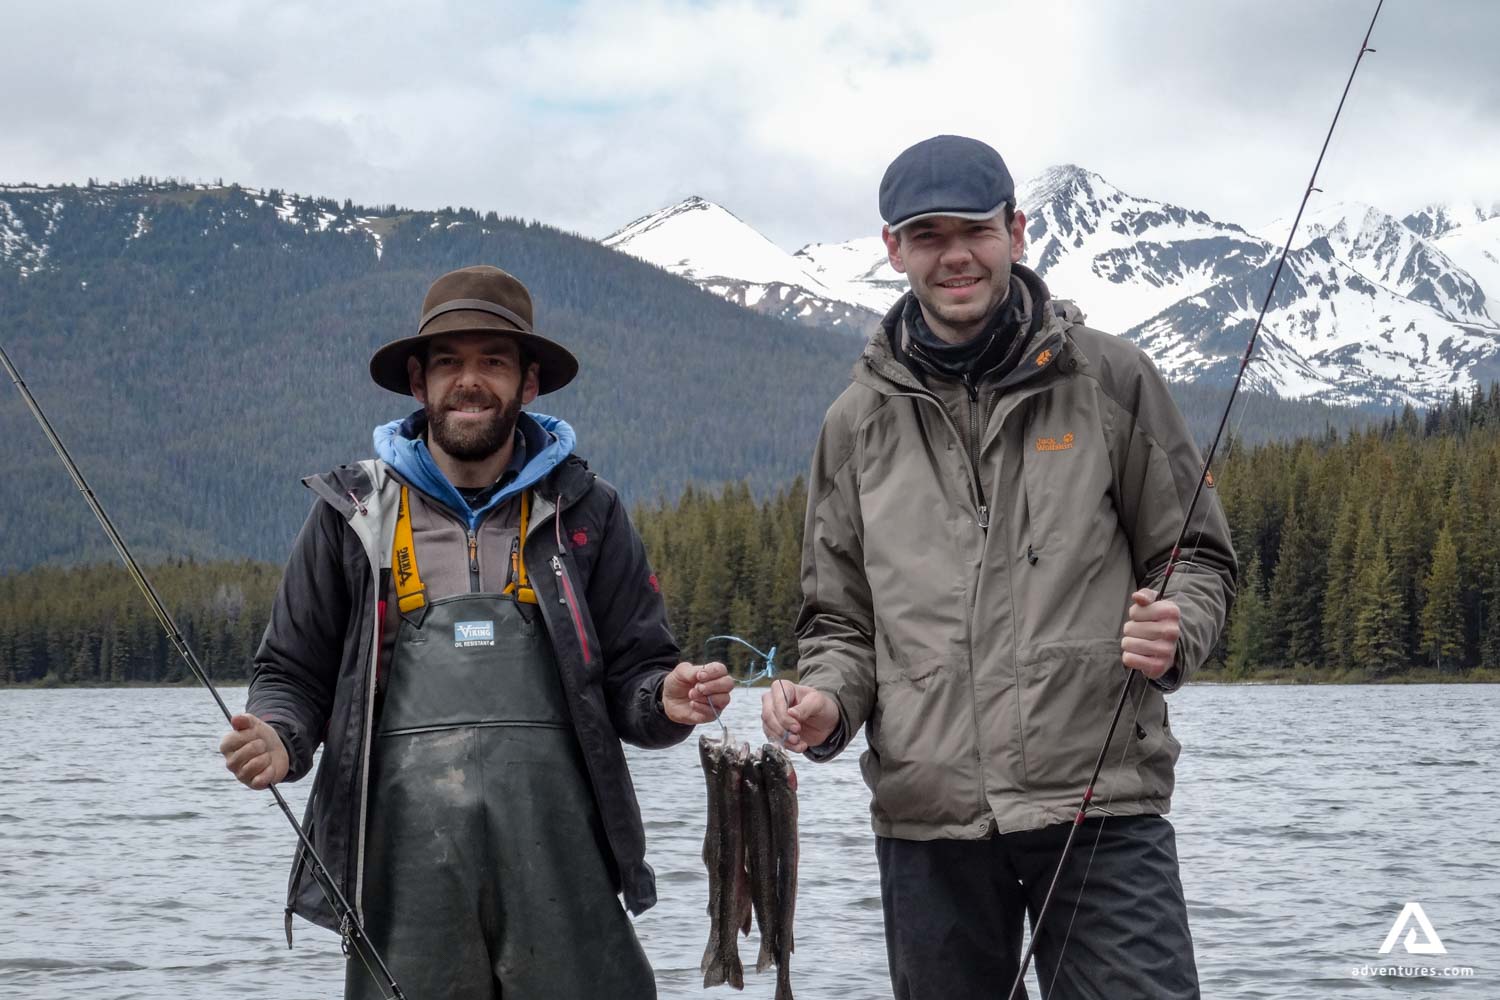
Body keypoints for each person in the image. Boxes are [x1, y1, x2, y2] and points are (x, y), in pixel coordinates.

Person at [761, 135, 1236, 1000]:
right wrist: (826, 704)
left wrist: (1180, 628)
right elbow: (838, 622)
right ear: (893, 249)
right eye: (927, 234)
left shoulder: (1114, 381)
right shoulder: (852, 424)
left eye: (973, 230)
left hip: (1100, 805)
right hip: (926, 819)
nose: (955, 255)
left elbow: (1194, 555)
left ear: (1016, 233)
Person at [219, 264, 734, 999]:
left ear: (528, 384)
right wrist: (279, 733)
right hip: (399, 883)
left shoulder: (586, 511)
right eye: (450, 362)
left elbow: (637, 675)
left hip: (566, 875)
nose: (470, 381)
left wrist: (667, 700)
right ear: (417, 381)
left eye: (493, 362)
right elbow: (292, 673)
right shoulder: (352, 515)